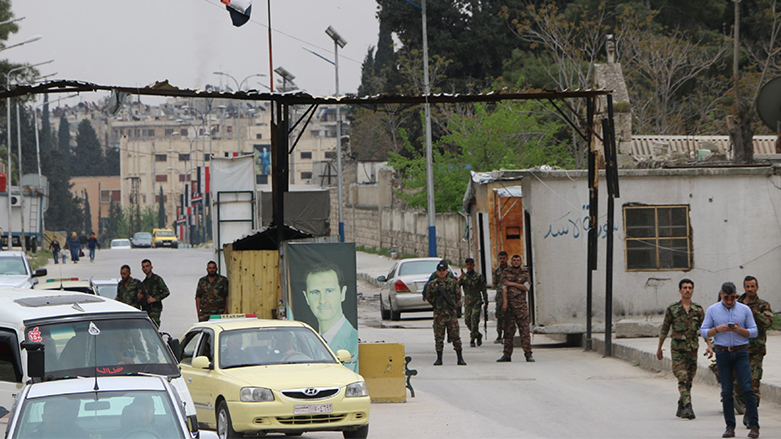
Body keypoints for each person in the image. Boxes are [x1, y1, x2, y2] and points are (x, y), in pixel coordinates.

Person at [701, 282, 760, 439]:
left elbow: (754, 331)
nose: (729, 301)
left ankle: (754, 425)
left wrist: (740, 330)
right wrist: (717, 330)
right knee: (726, 391)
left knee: (747, 388)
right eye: (726, 297)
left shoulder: (744, 309)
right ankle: (729, 426)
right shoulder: (713, 310)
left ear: (736, 295)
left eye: (732, 297)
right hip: (722, 352)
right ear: (721, 295)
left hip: (740, 352)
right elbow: (703, 331)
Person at [655, 278, 708, 420]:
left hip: (692, 350)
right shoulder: (672, 309)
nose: (687, 290)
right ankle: (688, 407)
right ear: (680, 290)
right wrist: (659, 348)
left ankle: (681, 404)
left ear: (693, 290)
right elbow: (665, 329)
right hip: (677, 351)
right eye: (684, 287)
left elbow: (704, 329)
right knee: (682, 378)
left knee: (689, 379)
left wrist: (709, 345)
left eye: (690, 288)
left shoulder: (698, 310)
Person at [302, 262, 358, 371]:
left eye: (329, 291)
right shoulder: (304, 342)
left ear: (343, 293)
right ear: (306, 297)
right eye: (315, 292)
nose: (322, 300)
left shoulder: (354, 344)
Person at [734, 276, 774, 416]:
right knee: (738, 379)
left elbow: (768, 322)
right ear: (744, 287)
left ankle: (752, 411)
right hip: (738, 347)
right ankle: (740, 403)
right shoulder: (736, 303)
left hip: (756, 349)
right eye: (747, 287)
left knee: (754, 379)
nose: (750, 289)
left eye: (753, 286)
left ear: (757, 287)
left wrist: (753, 312)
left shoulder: (763, 305)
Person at [426, 261, 465, 366]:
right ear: (437, 272)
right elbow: (429, 297)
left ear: (447, 271)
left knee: (455, 336)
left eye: (444, 270)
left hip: (451, 314)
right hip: (439, 314)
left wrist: (453, 307)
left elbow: (458, 297)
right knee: (439, 337)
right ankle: (439, 358)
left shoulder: (453, 283)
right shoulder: (433, 284)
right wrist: (437, 304)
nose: (442, 273)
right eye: (440, 271)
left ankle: (460, 358)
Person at [497, 254, 534, 363]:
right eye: (514, 260)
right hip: (509, 306)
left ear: (521, 262)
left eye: (518, 260)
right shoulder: (506, 272)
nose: (516, 262)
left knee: (525, 331)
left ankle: (528, 354)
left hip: (521, 306)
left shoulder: (525, 273)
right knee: (508, 331)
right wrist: (505, 302)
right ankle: (507, 355)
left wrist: (512, 283)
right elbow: (504, 287)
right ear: (511, 262)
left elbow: (526, 287)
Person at [458, 257, 488, 347]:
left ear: (474, 265)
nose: (469, 266)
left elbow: (483, 289)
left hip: (476, 301)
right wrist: (460, 278)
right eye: (467, 265)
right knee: (467, 321)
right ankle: (478, 335)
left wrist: (486, 301)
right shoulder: (464, 277)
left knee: (474, 320)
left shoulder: (478, 276)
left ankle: (472, 339)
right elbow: (455, 287)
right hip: (467, 302)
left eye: (471, 265)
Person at [140, 259, 170, 328]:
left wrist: (155, 299)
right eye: (143, 267)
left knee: (154, 328)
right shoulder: (144, 283)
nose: (145, 268)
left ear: (151, 267)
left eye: (147, 266)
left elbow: (166, 292)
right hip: (147, 309)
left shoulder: (157, 279)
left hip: (155, 309)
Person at [493, 251, 509, 343]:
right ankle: (499, 335)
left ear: (507, 259)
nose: (502, 260)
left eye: (504, 258)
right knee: (499, 315)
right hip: (499, 297)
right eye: (500, 258)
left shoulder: (511, 270)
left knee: (509, 316)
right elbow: (495, 284)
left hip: (510, 295)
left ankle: (508, 334)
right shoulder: (496, 271)